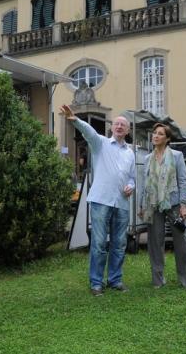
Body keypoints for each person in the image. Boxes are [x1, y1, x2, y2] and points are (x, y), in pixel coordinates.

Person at [60, 105, 135, 296]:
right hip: (101, 201)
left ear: (128, 130)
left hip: (121, 203)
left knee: (119, 244)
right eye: (117, 124)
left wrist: (131, 186)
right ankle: (96, 283)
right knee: (99, 243)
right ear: (111, 128)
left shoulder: (130, 153)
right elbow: (89, 132)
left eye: (123, 125)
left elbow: (132, 178)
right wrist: (75, 120)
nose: (119, 126)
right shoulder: (100, 144)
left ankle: (115, 280)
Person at [139, 123, 186, 290]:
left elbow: (183, 181)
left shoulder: (177, 156)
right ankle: (158, 280)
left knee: (181, 242)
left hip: (174, 203)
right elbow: (145, 184)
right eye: (154, 133)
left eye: (160, 134)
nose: (155, 136)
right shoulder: (147, 159)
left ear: (167, 139)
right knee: (155, 243)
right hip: (153, 204)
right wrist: (142, 206)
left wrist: (184, 205)